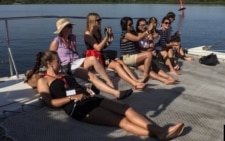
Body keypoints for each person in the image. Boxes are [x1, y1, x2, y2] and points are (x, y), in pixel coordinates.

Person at [36, 50, 185, 141]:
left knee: (126, 108)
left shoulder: (63, 74)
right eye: (57, 60)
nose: (60, 62)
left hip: (88, 98)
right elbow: (51, 103)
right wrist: (72, 98)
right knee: (120, 121)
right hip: (76, 107)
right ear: (49, 63)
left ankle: (160, 131)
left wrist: (85, 89)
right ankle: (159, 133)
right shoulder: (44, 81)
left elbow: (75, 87)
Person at [49, 18, 133, 100]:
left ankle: (109, 82)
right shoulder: (56, 42)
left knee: (93, 58)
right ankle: (117, 93)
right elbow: (50, 58)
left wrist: (107, 37)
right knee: (92, 77)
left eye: (71, 26)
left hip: (77, 61)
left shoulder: (72, 38)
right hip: (68, 66)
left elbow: (75, 53)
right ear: (63, 29)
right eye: (69, 26)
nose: (72, 28)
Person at [83, 12, 147, 90]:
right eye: (98, 20)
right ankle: (135, 84)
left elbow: (102, 47)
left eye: (100, 19)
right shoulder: (88, 34)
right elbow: (98, 48)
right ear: (92, 21)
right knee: (117, 65)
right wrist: (106, 37)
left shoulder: (97, 31)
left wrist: (109, 40)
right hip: (95, 58)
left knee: (120, 62)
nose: (100, 21)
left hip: (100, 55)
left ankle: (136, 81)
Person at [135, 18, 177, 85]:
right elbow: (138, 47)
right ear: (138, 26)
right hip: (141, 56)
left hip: (148, 55)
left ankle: (168, 77)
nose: (144, 26)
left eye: (145, 25)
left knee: (155, 66)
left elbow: (151, 46)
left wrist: (150, 37)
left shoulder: (149, 34)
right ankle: (164, 80)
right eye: (142, 25)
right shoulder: (137, 34)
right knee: (148, 69)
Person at [120, 16, 154, 83]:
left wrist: (148, 30)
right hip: (127, 58)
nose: (131, 25)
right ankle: (145, 75)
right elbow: (137, 38)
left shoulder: (131, 32)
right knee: (148, 54)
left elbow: (141, 35)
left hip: (133, 56)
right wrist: (148, 31)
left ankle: (165, 79)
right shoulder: (125, 34)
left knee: (148, 68)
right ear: (125, 25)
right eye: (129, 24)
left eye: (132, 24)